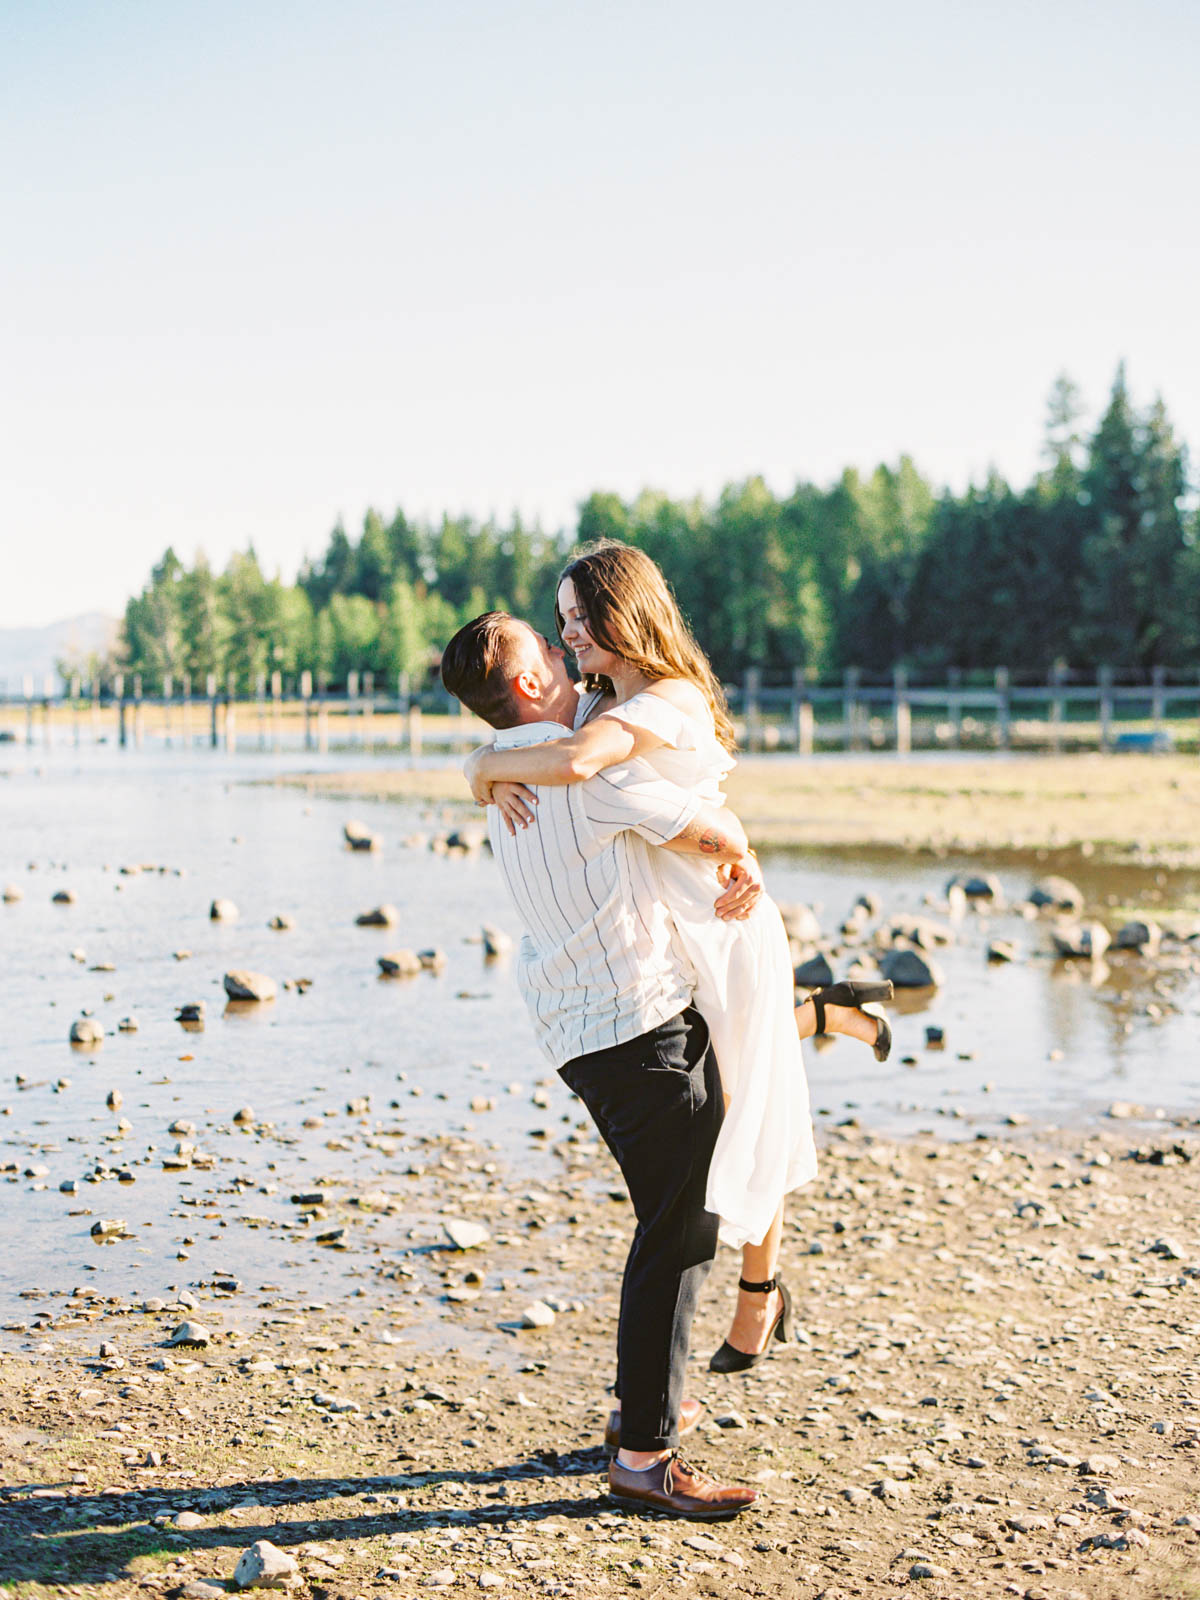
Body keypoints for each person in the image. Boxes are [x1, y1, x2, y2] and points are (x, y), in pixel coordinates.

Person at [462, 542, 891, 1373]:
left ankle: (758, 1296)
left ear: (626, 614)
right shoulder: (595, 699)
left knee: (751, 1096)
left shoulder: (662, 696)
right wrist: (481, 761)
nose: (569, 636)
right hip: (673, 924)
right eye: (561, 623)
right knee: (741, 1082)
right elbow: (539, 731)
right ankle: (827, 1011)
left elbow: (581, 765)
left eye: (580, 620)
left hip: (717, 914)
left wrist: (484, 763)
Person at [440, 610, 760, 1518]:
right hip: (641, 1032)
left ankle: (640, 1414)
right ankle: (645, 1454)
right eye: (543, 642)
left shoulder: (514, 772)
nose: (558, 642)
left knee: (666, 1225)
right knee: (678, 1233)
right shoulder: (581, 770)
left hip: (580, 1036)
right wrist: (738, 854)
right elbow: (702, 827)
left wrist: (478, 765)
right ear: (532, 683)